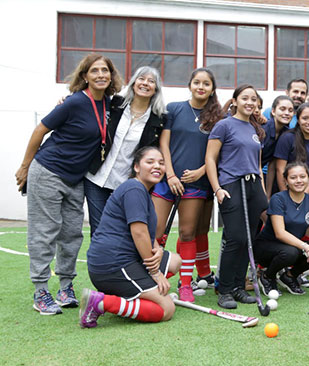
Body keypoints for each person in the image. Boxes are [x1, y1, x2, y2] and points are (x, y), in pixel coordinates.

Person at [16, 53, 123, 315]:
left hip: (76, 178)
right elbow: (40, 130)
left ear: (111, 76)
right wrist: (25, 166)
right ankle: (41, 290)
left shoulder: (109, 104)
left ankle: (65, 288)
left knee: (72, 234)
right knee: (45, 231)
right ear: (85, 76)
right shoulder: (74, 102)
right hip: (49, 171)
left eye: (105, 71)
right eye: (95, 71)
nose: (100, 75)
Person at [80, 146, 182, 327]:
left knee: (174, 261)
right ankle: (101, 303)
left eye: (161, 163)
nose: (157, 166)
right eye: (149, 162)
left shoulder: (141, 191)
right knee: (166, 309)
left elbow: (148, 234)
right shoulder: (134, 189)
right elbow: (139, 232)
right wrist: (155, 273)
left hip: (123, 259)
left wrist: (157, 250)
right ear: (136, 167)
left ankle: (137, 295)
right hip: (113, 264)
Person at [153, 68, 224, 303]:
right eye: (197, 82)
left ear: (212, 89)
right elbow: (164, 143)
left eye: (206, 83)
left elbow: (217, 152)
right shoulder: (174, 109)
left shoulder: (217, 117)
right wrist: (170, 175)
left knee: (187, 233)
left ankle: (185, 285)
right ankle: (150, 278)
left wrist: (200, 171)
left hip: (197, 183)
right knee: (156, 231)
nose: (201, 87)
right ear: (190, 85)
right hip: (167, 181)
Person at [84, 66, 166, 237]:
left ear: (156, 89)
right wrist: (65, 99)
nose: (145, 83)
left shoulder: (159, 119)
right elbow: (88, 103)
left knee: (123, 231)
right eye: (141, 79)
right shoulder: (115, 104)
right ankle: (100, 264)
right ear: (134, 82)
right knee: (98, 231)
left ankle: (121, 263)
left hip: (127, 183)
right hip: (97, 178)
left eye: (151, 81)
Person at [206, 83, 268, 309]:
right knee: (235, 238)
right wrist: (217, 188)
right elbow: (210, 159)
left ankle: (238, 287)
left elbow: (258, 164)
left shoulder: (255, 129)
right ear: (234, 101)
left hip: (253, 187)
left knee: (249, 240)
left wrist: (261, 191)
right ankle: (224, 290)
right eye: (245, 98)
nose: (250, 102)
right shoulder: (224, 126)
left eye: (254, 99)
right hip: (232, 185)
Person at [254, 162, 309, 296]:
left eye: (302, 176)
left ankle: (289, 276)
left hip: (292, 247)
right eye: (293, 177)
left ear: (308, 178)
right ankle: (267, 276)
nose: (298, 181)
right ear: (286, 181)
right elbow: (280, 233)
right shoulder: (278, 199)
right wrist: (307, 247)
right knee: (291, 252)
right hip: (266, 248)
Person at [274, 103, 309, 193]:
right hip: (286, 191)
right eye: (305, 118)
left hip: (308, 191)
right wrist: (286, 198)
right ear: (298, 120)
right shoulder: (287, 138)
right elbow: (280, 170)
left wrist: (304, 195)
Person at [261, 96, 294, 196]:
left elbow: (272, 165)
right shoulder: (263, 131)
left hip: (263, 174)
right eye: (282, 109)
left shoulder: (286, 134)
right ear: (273, 111)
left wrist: (268, 195)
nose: (287, 113)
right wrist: (262, 195)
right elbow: (256, 164)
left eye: (290, 110)